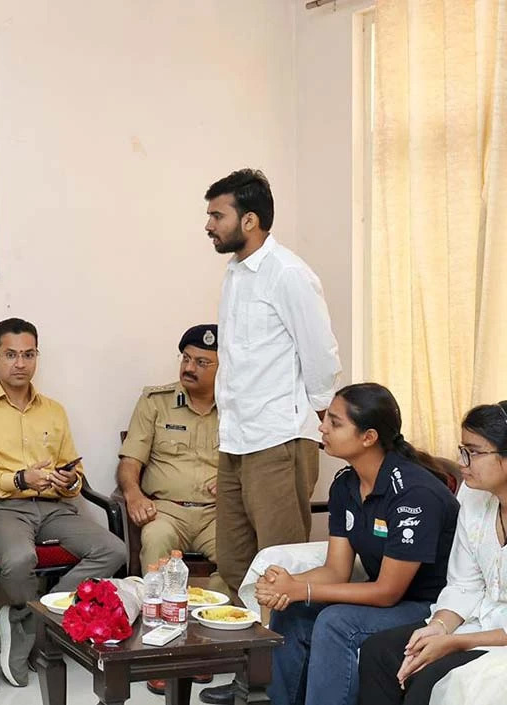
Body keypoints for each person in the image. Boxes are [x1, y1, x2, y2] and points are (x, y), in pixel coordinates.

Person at [200, 168, 342, 703]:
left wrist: (315, 423)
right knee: (235, 563)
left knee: (278, 569)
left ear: (250, 220)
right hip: (236, 439)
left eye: (217, 215)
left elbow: (321, 358)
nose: (208, 225)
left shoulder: (289, 274)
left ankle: (280, 688)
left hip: (279, 439)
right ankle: (248, 678)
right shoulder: (235, 274)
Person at [251, 383, 460, 705]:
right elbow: (336, 571)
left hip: (433, 606)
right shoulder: (346, 485)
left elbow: (387, 592)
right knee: (292, 611)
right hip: (391, 599)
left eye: (334, 422)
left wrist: (302, 589)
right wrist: (286, 586)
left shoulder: (413, 493)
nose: (322, 427)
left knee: (337, 622)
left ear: (368, 437)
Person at [0, 317, 126, 687]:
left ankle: (29, 621)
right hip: (5, 508)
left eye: (29, 354)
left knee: (114, 550)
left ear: (37, 356)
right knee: (19, 559)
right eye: (11, 355)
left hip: (54, 507)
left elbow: (74, 470)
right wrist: (20, 479)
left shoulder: (54, 410)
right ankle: (38, 624)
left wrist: (69, 480)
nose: (20, 363)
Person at [358, 401, 507, 705]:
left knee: (428, 677)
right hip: (477, 621)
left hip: (498, 639)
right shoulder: (473, 496)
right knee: (380, 651)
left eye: (474, 452)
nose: (462, 463)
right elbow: (464, 583)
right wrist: (438, 627)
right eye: (462, 450)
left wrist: (455, 642)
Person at [116, 323, 223, 696]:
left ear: (224, 367)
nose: (189, 367)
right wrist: (133, 494)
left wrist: (233, 482)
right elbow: (130, 462)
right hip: (166, 510)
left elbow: (252, 465)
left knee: (237, 557)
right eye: (186, 358)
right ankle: (158, 651)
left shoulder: (239, 406)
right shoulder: (156, 401)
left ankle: (204, 646)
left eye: (202, 362)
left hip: (218, 513)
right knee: (156, 541)